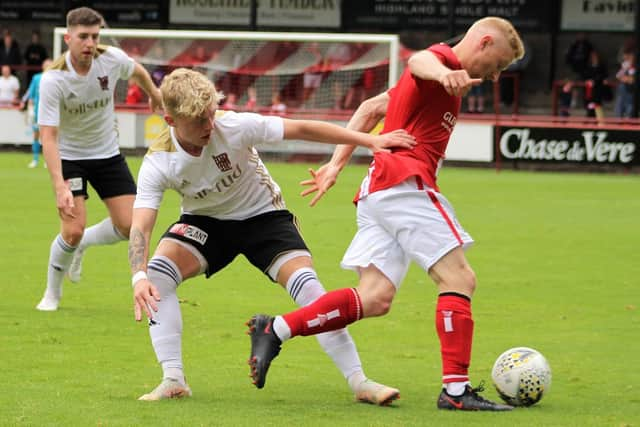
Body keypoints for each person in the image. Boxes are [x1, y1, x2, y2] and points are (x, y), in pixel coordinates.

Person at [247, 16, 525, 411]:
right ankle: (456, 391)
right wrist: (444, 75)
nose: (495, 77)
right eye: (496, 66)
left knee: (375, 298)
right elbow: (419, 62)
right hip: (404, 185)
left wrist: (335, 165)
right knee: (459, 277)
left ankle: (275, 329)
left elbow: (370, 107)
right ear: (482, 42)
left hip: (380, 190)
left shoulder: (441, 78)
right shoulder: (440, 63)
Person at [129, 68, 415, 402]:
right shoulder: (159, 161)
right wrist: (138, 276)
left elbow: (301, 128)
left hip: (264, 217)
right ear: (171, 120)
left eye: (210, 115)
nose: (210, 126)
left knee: (311, 290)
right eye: (198, 121)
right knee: (157, 277)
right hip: (206, 222)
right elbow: (140, 225)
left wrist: (370, 140)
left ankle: (360, 382)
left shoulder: (233, 125)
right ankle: (173, 379)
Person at [35, 7, 163, 311]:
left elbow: (138, 72)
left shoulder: (111, 60)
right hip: (70, 158)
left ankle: (85, 245)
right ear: (68, 38)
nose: (90, 43)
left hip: (107, 154)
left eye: (95, 36)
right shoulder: (54, 80)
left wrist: (154, 94)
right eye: (83, 37)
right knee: (72, 229)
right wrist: (59, 187)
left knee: (130, 225)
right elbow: (48, 137)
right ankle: (52, 293)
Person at [20, 58, 52, 168]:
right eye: (46, 65)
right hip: (38, 111)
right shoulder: (37, 78)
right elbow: (31, 94)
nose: (48, 66)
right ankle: (35, 159)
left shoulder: (55, 78)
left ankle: (47, 160)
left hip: (51, 113)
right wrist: (29, 107)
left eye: (50, 65)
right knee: (36, 136)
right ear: (43, 66)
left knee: (48, 137)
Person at [614, 50, 635, 118]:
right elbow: (618, 76)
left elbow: (632, 80)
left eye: (628, 56)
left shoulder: (635, 66)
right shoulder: (625, 65)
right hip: (622, 92)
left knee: (629, 109)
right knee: (619, 109)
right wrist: (625, 70)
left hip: (631, 92)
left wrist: (627, 79)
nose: (625, 58)